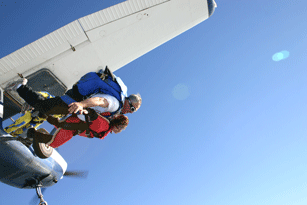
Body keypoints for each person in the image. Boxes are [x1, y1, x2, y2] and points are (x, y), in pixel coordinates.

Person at [27, 114, 129, 148]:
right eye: (121, 128)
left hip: (73, 125)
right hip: (73, 127)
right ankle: (31, 133)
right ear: (118, 126)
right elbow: (92, 118)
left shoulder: (106, 125)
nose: (120, 130)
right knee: (53, 143)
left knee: (58, 124)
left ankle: (43, 114)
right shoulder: (105, 126)